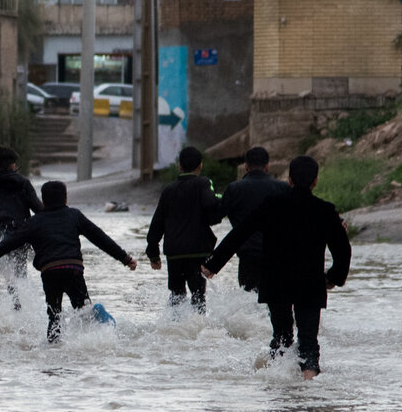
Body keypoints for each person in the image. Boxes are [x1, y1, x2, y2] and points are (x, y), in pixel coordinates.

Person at [202, 156, 351, 380]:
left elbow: (240, 233)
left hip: (276, 281)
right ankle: (309, 386)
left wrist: (213, 264)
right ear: (315, 181)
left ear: (289, 179)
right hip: (310, 283)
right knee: (309, 340)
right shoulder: (325, 210)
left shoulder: (272, 205)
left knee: (281, 336)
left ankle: (277, 387)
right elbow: (343, 249)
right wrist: (333, 277)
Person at [0, 180, 137, 343]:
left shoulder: (34, 222)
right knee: (82, 311)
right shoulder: (74, 215)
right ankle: (94, 336)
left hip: (50, 272)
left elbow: (7, 244)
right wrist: (125, 258)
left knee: (54, 316)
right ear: (65, 199)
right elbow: (100, 238)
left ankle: (54, 352)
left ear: (43, 201)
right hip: (73, 269)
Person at [145, 146, 222, 313]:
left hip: (174, 254)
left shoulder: (168, 190)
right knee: (198, 297)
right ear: (200, 166)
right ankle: (195, 333)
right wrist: (222, 201)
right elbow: (211, 205)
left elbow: (156, 224)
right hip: (196, 253)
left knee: (176, 295)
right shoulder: (203, 183)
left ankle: (174, 329)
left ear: (179, 166)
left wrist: (153, 254)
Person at [0, 146, 44, 309]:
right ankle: (19, 317)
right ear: (13, 166)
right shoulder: (24, 184)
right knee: (17, 281)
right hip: (18, 238)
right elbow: (40, 212)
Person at [215, 146, 291, 295]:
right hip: (276, 256)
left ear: (246, 167)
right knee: (275, 305)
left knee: (250, 305)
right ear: (267, 166)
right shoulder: (283, 188)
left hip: (248, 257)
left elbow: (215, 217)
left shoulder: (234, 189)